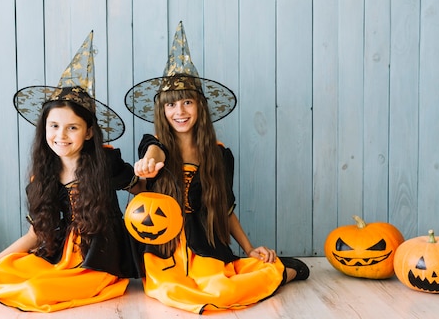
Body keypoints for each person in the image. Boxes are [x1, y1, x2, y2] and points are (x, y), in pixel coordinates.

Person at [124, 21, 309, 314]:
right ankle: (273, 275)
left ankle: (283, 272)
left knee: (222, 289)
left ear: (200, 107)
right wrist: (149, 162)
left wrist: (249, 249)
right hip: (164, 250)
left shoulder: (219, 156)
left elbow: (226, 210)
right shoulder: (155, 144)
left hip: (204, 246)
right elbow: (152, 152)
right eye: (171, 105)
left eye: (187, 102)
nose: (180, 112)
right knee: (171, 291)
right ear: (162, 110)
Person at [0, 32, 141, 312]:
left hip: (99, 261)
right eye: (54, 126)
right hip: (60, 256)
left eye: (72, 127)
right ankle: (12, 272)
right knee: (1, 272)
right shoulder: (44, 175)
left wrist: (155, 161)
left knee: (36, 290)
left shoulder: (105, 163)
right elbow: (36, 233)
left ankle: (85, 281)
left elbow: (141, 188)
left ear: (88, 133)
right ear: (44, 128)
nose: (61, 135)